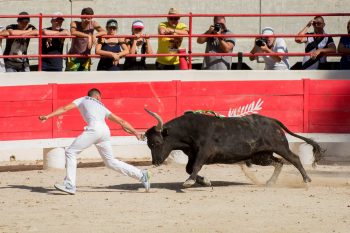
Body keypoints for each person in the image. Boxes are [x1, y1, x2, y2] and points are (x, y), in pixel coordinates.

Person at [38, 88, 150, 195]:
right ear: (97, 96)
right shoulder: (102, 106)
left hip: (94, 129)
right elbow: (121, 121)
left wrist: (48, 116)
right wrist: (135, 133)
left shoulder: (82, 99)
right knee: (110, 161)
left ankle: (70, 185)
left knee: (71, 152)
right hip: (105, 131)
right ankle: (141, 175)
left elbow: (64, 108)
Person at [66, 7, 106, 71]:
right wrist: (88, 36)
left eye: (89, 18)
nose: (86, 20)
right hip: (74, 56)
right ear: (81, 17)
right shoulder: (75, 23)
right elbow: (73, 32)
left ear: (91, 18)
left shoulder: (93, 23)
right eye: (84, 17)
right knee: (71, 78)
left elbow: (104, 32)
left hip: (86, 56)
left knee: (85, 78)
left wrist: (94, 35)